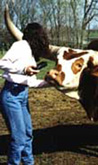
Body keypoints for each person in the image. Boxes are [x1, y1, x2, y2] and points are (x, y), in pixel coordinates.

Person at [0, 22, 50, 165]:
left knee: (28, 133)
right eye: (42, 34)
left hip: (22, 94)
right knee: (19, 138)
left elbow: (31, 82)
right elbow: (2, 63)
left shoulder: (31, 53)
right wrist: (24, 69)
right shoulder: (20, 45)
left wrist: (51, 83)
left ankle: (29, 162)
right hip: (11, 95)